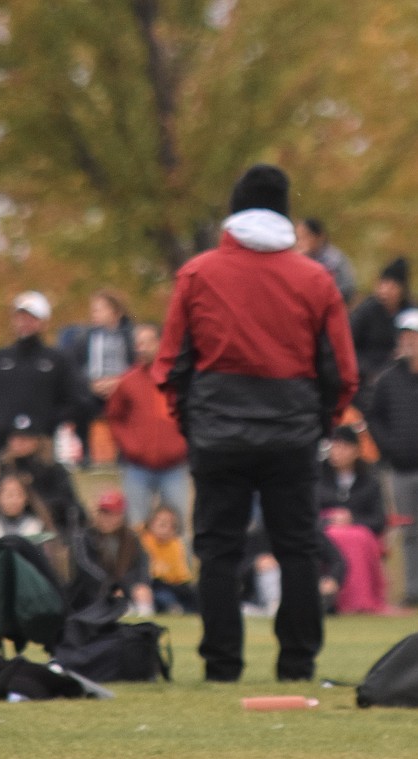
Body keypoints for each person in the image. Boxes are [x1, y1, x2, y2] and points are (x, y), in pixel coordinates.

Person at [154, 164, 358, 682]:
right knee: (298, 549)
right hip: (291, 433)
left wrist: (193, 422)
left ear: (235, 209)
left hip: (218, 432)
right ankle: (297, 662)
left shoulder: (198, 274)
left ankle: (222, 664)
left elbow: (171, 364)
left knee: (218, 550)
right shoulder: (316, 278)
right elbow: (341, 371)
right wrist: (320, 423)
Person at [0, 290, 84, 452]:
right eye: (20, 317)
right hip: (5, 444)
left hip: (44, 442)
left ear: (43, 322)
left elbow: (74, 400)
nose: (24, 322)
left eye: (31, 318)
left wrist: (49, 422)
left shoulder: (57, 360)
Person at [104, 322, 190, 529]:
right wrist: (129, 445)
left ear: (161, 343)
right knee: (137, 524)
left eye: (147, 342)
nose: (141, 347)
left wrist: (183, 445)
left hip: (174, 467)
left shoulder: (179, 379)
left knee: (177, 524)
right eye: (138, 342)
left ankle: (178, 562)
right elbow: (114, 417)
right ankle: (139, 562)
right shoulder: (128, 381)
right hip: (138, 467)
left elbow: (193, 414)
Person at [366, 308, 418, 606]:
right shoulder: (388, 379)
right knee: (408, 531)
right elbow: (374, 418)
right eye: (405, 337)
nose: (409, 343)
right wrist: (389, 448)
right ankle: (412, 591)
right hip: (400, 469)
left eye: (413, 337)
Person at [317, 425, 389, 614]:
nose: (337, 452)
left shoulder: (370, 481)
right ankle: (331, 596)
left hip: (362, 538)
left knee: (357, 538)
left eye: (344, 446)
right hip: (324, 536)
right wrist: (329, 520)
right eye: (334, 446)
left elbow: (379, 520)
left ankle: (360, 599)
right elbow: (307, 515)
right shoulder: (317, 477)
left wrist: (352, 520)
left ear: (356, 450)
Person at [65, 289, 134, 465]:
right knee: (76, 405)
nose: (94, 314)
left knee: (132, 406)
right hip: (92, 388)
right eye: (93, 310)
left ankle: (125, 453)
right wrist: (90, 384)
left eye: (99, 309)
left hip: (122, 387)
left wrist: (120, 382)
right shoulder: (84, 337)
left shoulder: (130, 336)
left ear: (115, 312)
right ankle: (86, 452)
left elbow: (137, 364)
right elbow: (75, 367)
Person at [68, 489, 153, 615]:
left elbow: (141, 564)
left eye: (113, 514)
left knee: (142, 592)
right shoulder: (83, 537)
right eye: (104, 513)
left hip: (122, 590)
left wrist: (140, 585)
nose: (107, 518)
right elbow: (85, 568)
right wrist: (111, 586)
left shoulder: (130, 538)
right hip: (91, 594)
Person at [350, 258, 410, 412]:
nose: (385, 290)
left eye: (392, 286)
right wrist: (367, 370)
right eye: (383, 284)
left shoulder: (410, 313)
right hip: (367, 377)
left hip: (401, 377)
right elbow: (348, 345)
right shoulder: (367, 311)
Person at [138, 504, 197, 614]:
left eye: (171, 525)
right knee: (164, 598)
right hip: (153, 586)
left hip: (173, 586)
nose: (166, 529)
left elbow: (181, 576)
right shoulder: (143, 541)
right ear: (151, 524)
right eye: (162, 524)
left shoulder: (176, 544)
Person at [296, 217, 356, 305]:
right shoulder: (302, 258)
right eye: (298, 238)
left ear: (319, 237)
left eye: (305, 237)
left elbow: (345, 289)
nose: (300, 243)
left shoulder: (333, 260)